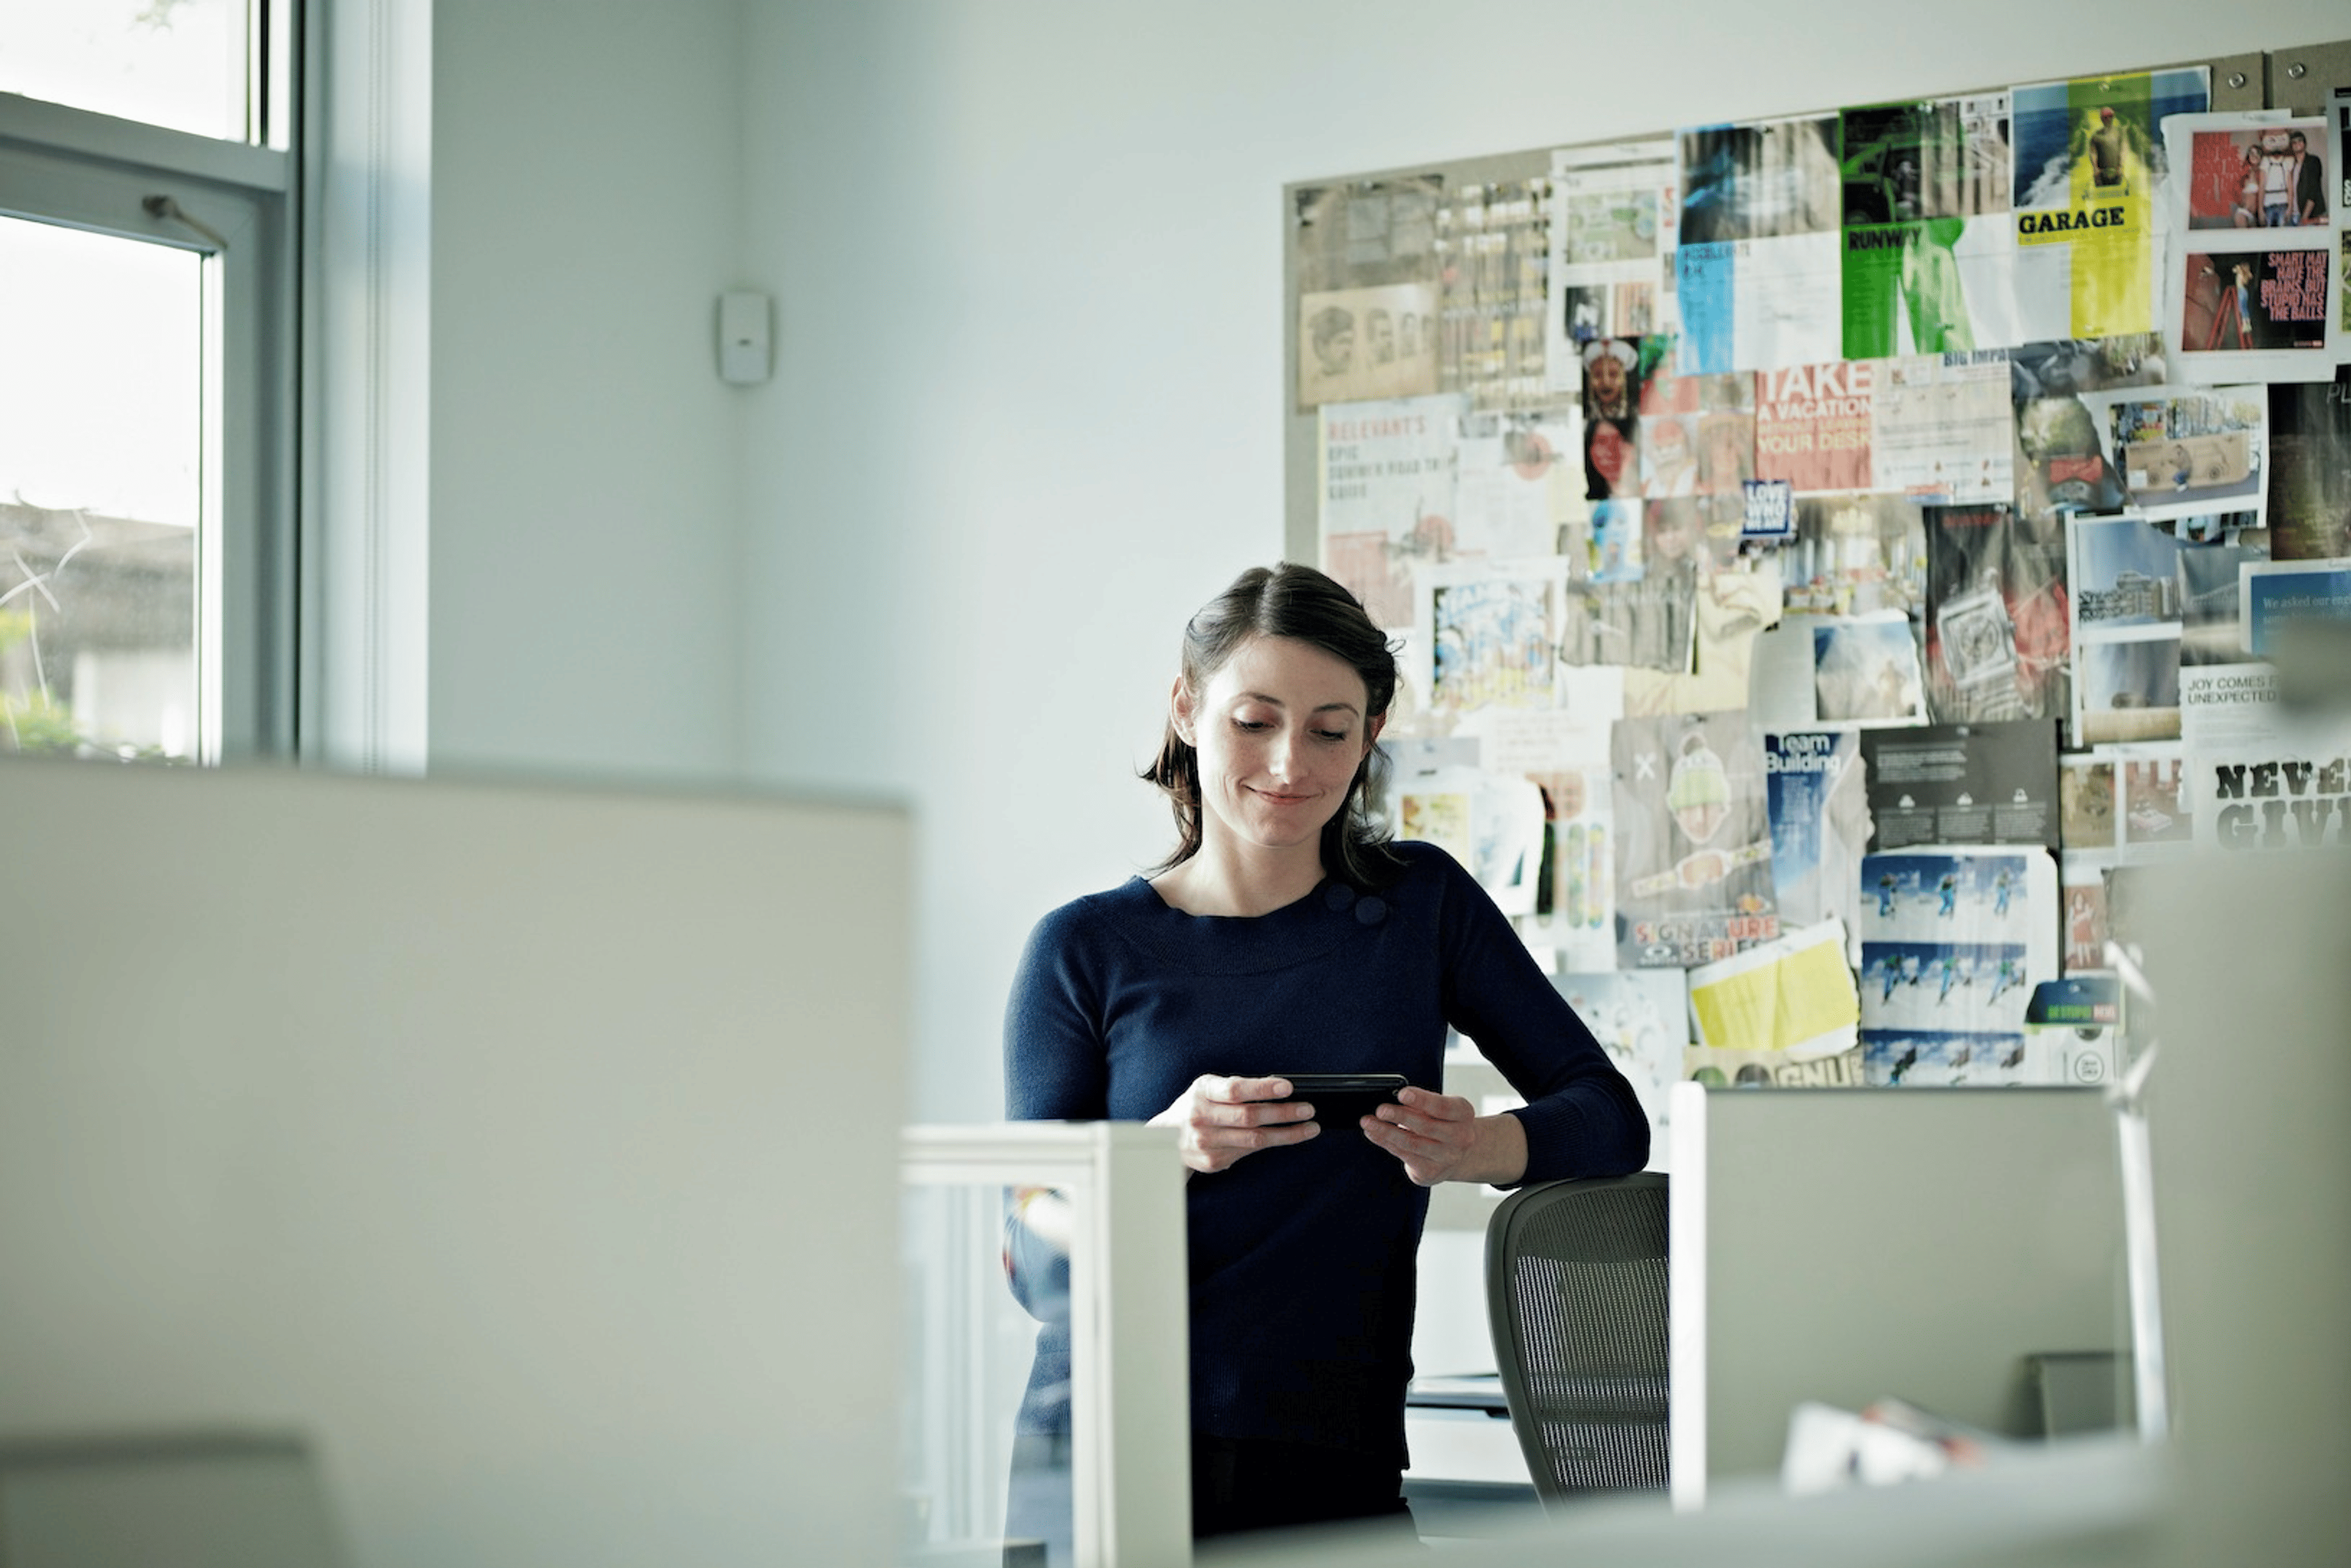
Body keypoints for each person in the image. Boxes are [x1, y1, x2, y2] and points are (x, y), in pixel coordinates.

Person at [1002, 563, 1648, 1555]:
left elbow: (1610, 1120)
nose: (1291, 762)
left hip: (1332, 1451)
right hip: (1100, 1456)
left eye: (1331, 730)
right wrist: (1158, 1151)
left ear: (1371, 735)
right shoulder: (1083, 949)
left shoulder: (1420, 907)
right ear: (1186, 709)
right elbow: (1033, 1252)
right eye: (1253, 721)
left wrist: (1482, 1146)